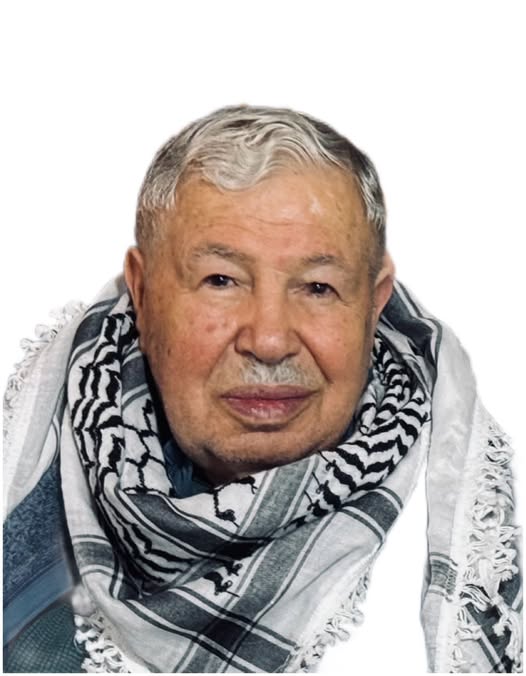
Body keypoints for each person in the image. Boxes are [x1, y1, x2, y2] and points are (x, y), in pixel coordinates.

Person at [3, 105, 522, 673]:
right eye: (221, 280)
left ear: (374, 307)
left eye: (318, 287)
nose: (270, 341)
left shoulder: (467, 540)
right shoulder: (25, 483)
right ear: (143, 296)